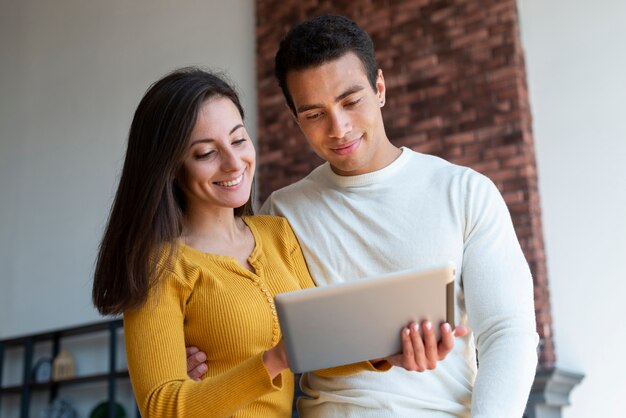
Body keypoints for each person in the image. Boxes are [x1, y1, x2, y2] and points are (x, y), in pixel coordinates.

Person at [186, 15, 539, 418]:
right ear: (295, 119)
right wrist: (199, 357)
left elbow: (508, 332)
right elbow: (251, 332)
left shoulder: (464, 192)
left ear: (380, 88)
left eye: (351, 101)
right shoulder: (280, 214)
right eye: (314, 114)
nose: (339, 128)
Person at [91, 67, 458, 418]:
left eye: (238, 139)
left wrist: (387, 352)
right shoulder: (160, 265)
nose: (234, 163)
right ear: (169, 167)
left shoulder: (275, 233)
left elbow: (319, 342)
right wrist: (275, 360)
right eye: (206, 153)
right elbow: (162, 407)